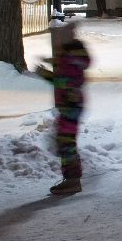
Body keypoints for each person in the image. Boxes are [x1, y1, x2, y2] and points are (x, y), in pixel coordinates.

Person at [36, 21, 91, 196]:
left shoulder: (71, 59)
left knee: (66, 143)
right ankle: (71, 179)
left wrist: (46, 73)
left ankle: (73, 180)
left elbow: (66, 80)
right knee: (65, 141)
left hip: (71, 106)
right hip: (69, 106)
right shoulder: (71, 56)